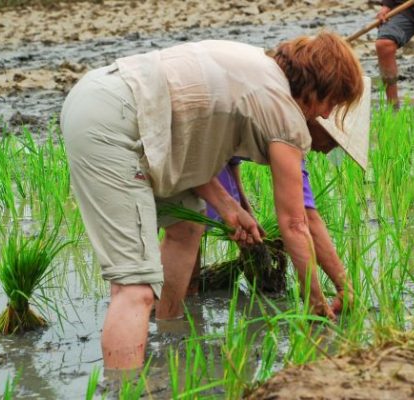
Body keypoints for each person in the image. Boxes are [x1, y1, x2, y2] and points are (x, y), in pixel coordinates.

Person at [60, 32, 364, 371]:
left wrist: (230, 209)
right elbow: (294, 223)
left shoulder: (254, 67)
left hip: (105, 97)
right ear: (319, 87)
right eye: (333, 104)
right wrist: (317, 306)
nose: (326, 113)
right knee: (134, 288)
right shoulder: (283, 111)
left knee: (187, 223)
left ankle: (169, 330)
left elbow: (185, 139)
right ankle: (126, 389)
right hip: (112, 125)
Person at [191, 157, 354, 312]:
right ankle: (183, 314)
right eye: (330, 140)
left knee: (195, 224)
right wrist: (331, 293)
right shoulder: (290, 138)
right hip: (190, 153)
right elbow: (301, 219)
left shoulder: (295, 144)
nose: (325, 150)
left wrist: (244, 209)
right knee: (192, 222)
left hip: (205, 152)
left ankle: (191, 302)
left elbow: (231, 158)